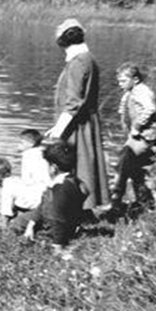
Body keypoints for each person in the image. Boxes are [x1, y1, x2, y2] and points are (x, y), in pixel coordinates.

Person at [46, 19, 109, 210]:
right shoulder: (86, 59)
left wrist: (58, 130)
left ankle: (77, 209)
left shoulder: (79, 62)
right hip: (81, 121)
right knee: (84, 164)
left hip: (78, 125)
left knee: (77, 164)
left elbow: (73, 102)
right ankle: (82, 209)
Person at [22, 140, 88, 255]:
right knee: (26, 219)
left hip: (52, 232)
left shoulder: (58, 190)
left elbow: (57, 219)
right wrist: (32, 223)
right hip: (67, 226)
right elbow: (86, 192)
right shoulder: (75, 182)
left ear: (53, 167)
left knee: (15, 225)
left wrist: (58, 245)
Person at [111, 63, 156, 211]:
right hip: (134, 137)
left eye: (123, 81)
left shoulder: (141, 91)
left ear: (135, 79)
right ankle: (145, 203)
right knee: (134, 169)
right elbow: (125, 110)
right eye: (118, 81)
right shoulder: (130, 92)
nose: (120, 84)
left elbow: (150, 108)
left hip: (143, 136)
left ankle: (115, 202)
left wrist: (137, 126)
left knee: (122, 165)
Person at [0, 157, 40, 222]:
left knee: (15, 223)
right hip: (43, 204)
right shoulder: (16, 180)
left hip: (37, 211)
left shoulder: (7, 188)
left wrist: (3, 225)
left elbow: (6, 214)